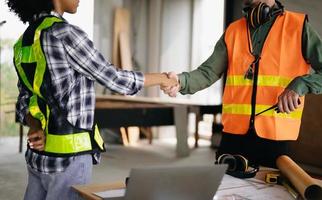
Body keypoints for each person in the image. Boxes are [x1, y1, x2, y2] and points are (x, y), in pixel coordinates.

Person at [7, 0, 177, 199]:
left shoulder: (23, 42)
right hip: (69, 160)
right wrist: (164, 79)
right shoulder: (64, 34)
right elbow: (114, 78)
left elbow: (25, 99)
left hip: (38, 159)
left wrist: (35, 126)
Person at [162, 0, 322, 168]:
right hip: (233, 138)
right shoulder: (233, 31)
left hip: (276, 139)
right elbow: (207, 72)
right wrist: (180, 81)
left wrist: (299, 85)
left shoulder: (298, 26)